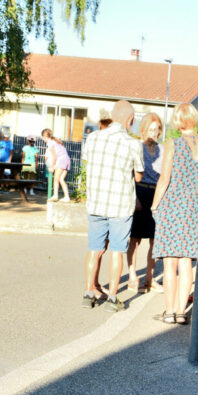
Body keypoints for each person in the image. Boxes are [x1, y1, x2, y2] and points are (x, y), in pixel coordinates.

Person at [80, 99, 143, 312]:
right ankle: (113, 298)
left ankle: (88, 293)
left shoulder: (93, 137)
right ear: (130, 119)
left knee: (95, 249)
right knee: (117, 250)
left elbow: (87, 162)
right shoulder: (133, 143)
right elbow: (139, 175)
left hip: (96, 203)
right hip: (120, 206)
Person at [152, 103, 198, 325]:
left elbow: (164, 178)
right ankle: (181, 311)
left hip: (172, 207)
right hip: (193, 209)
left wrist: (155, 205)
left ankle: (169, 311)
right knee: (186, 263)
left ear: (177, 121)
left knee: (169, 263)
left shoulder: (173, 144)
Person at [126, 113, 163, 294]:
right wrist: (135, 198)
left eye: (157, 130)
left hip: (156, 194)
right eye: (151, 129)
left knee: (155, 241)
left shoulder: (163, 150)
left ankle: (150, 277)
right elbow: (130, 174)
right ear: (143, 130)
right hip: (139, 191)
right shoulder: (137, 147)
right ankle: (132, 276)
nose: (154, 133)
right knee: (135, 239)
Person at [42, 128, 71, 202]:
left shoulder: (50, 143)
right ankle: (67, 197)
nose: (42, 139)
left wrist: (52, 167)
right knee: (61, 179)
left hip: (61, 160)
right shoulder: (55, 141)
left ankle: (55, 196)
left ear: (44, 137)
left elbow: (54, 156)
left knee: (56, 179)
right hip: (67, 160)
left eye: (42, 137)